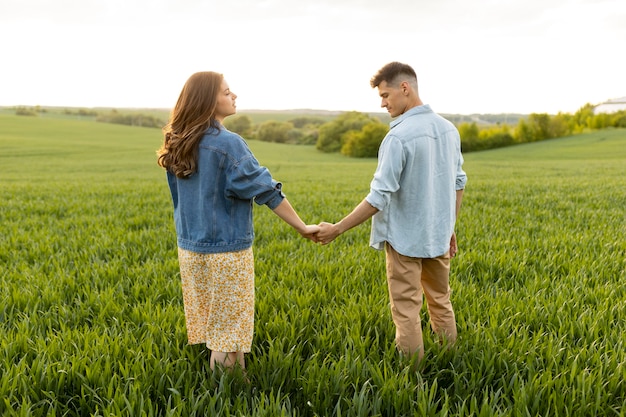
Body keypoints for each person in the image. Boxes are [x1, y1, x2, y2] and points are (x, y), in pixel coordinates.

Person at [157, 71, 319, 372]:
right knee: (228, 338)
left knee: (224, 333)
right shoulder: (228, 144)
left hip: (191, 252)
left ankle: (237, 386)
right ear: (208, 100)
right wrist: (303, 227)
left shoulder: (180, 142)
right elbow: (267, 190)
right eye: (227, 91)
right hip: (227, 254)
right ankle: (228, 398)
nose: (235, 96)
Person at [317, 62, 467, 362]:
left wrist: (338, 228)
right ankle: (450, 366)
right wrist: (449, 226)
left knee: (406, 311)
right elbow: (459, 182)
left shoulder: (398, 137)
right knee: (441, 301)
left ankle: (412, 379)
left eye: (385, 95)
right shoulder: (448, 130)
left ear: (404, 88)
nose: (383, 103)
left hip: (404, 239)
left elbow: (379, 197)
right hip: (437, 235)